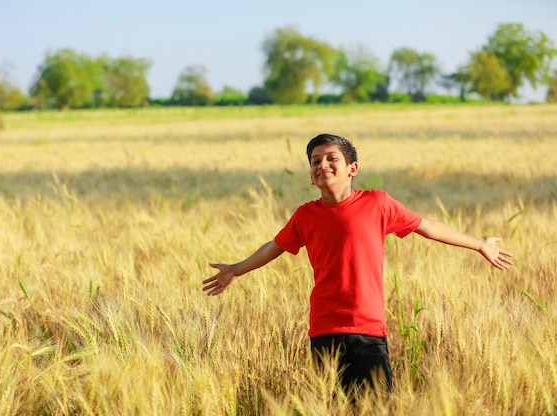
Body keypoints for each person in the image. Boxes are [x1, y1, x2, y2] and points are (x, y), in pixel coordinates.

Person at [201, 133, 513, 395]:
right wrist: (235, 269)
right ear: (311, 175)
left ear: (352, 168)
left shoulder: (378, 203)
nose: (322, 164)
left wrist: (479, 244)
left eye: (331, 158)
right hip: (323, 329)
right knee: (332, 407)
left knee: (375, 409)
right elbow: (274, 246)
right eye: (315, 161)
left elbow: (426, 226)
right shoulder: (305, 216)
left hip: (367, 330)